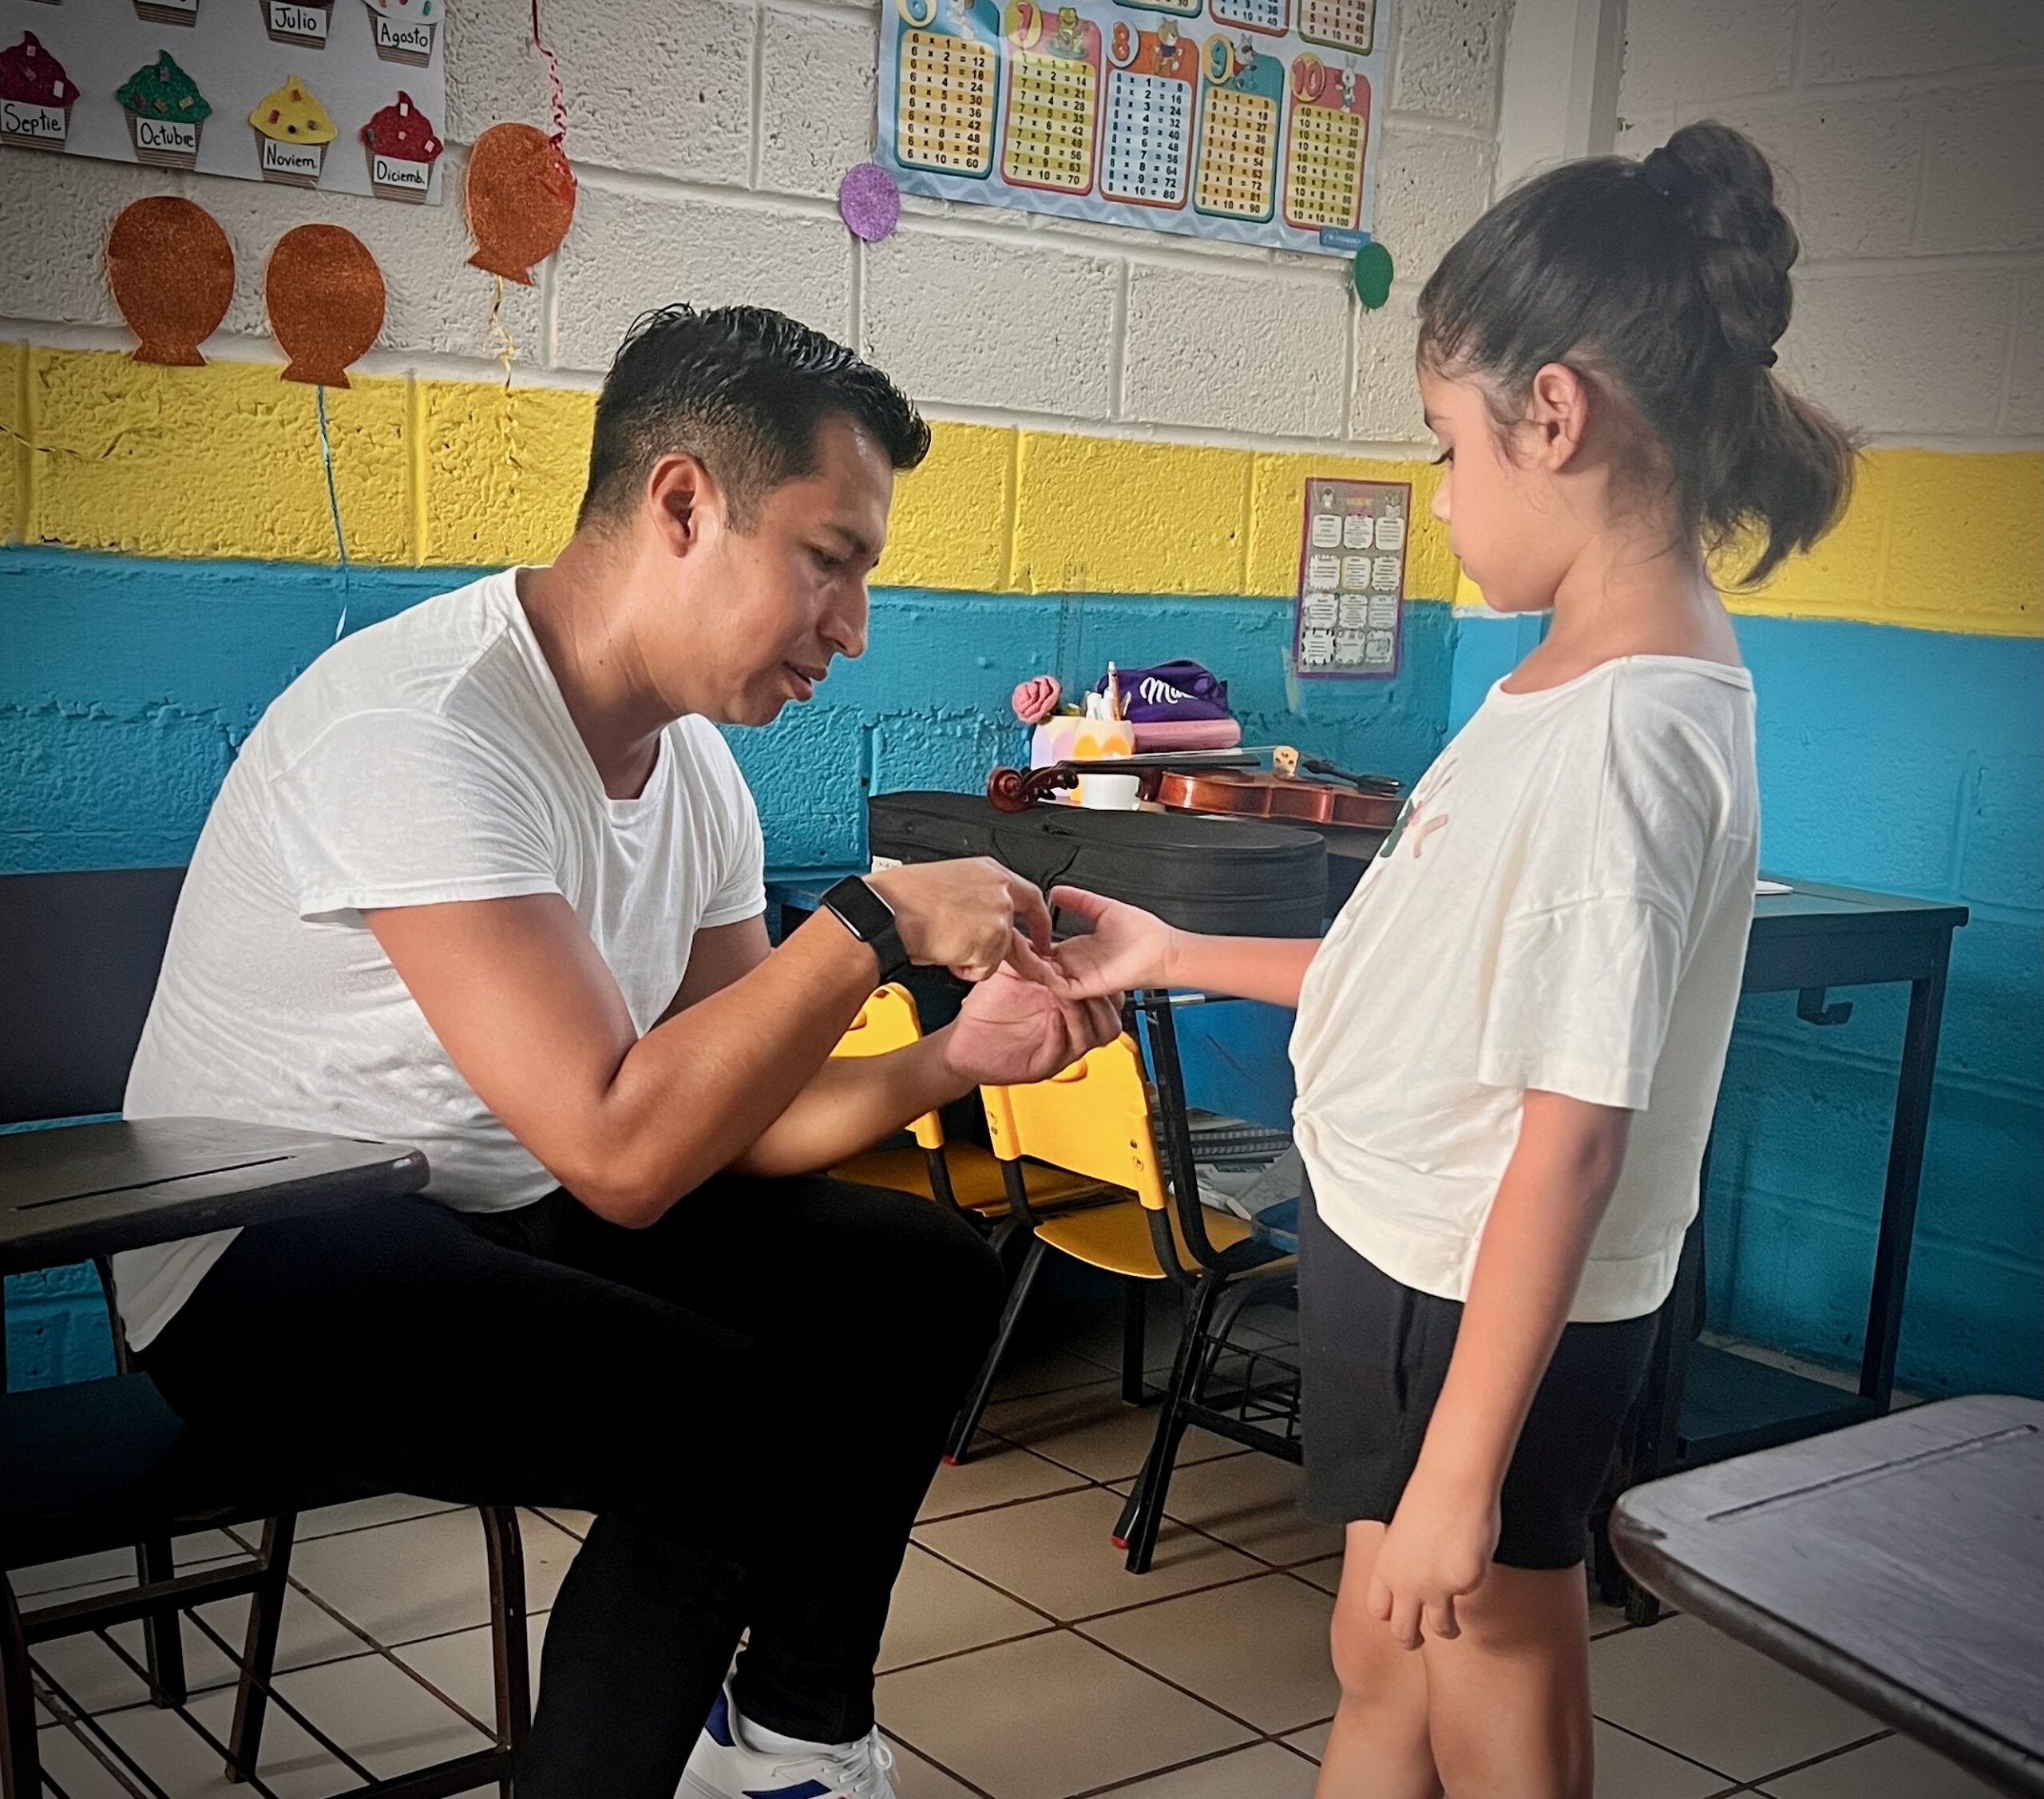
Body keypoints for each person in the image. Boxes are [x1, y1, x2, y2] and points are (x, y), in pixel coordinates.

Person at [113, 304, 1122, 1799]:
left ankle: (789, 1739)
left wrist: (953, 1058)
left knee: (924, 1280)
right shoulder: (426, 728)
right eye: (829, 560)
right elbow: (627, 1154)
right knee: (727, 1424)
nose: (853, 627)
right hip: (255, 1253)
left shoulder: (697, 771)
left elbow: (734, 1114)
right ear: (683, 504)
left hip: (502, 1195)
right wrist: (874, 921)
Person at [1040, 123, 1855, 1799]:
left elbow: (1572, 1137)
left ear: (1552, 416)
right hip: (1409, 1258)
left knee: (1487, 1654)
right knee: (1383, 1653)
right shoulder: (1566, 684)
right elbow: (1418, 986)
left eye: (1443, 445)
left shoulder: (1619, 736)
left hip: (1467, 1295)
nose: (1437, 494)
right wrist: (1174, 945)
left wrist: (1462, 1473)